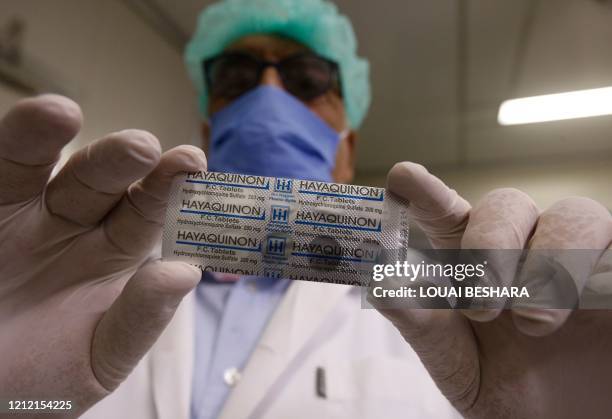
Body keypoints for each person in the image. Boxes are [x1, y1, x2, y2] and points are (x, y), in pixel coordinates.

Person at [0, 0, 610, 418]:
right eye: (236, 77)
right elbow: (38, 406)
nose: (268, 96)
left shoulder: (449, 308)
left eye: (307, 78)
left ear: (347, 150)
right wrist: (13, 405)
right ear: (206, 131)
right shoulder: (80, 287)